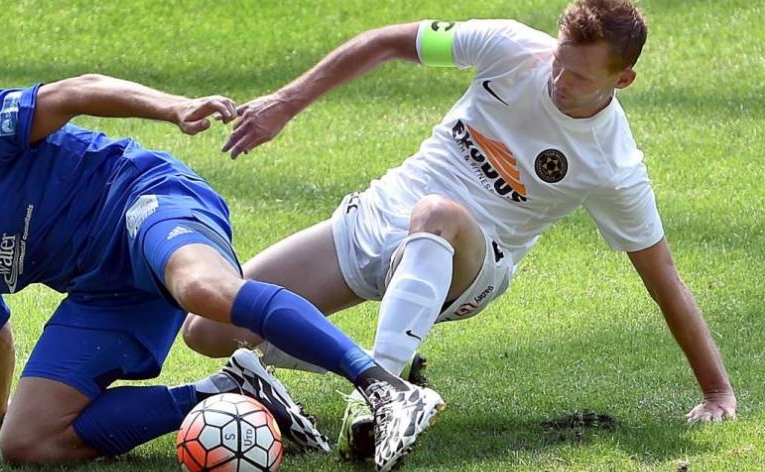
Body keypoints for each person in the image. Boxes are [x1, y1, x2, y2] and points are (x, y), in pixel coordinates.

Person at [0, 73, 444, 471]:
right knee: (29, 445)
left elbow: (74, 93)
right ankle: (236, 391)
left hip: (143, 199)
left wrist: (171, 108)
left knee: (204, 291)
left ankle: (386, 389)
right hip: (105, 287)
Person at [180, 0, 737, 459]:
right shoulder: (509, 45)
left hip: (471, 264)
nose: (560, 80)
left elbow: (661, 273)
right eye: (559, 63)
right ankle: (387, 376)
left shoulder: (612, 164)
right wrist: (285, 103)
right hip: (378, 219)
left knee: (437, 214)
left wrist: (716, 391)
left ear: (625, 78)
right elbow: (387, 42)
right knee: (209, 329)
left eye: (581, 75)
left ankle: (381, 400)